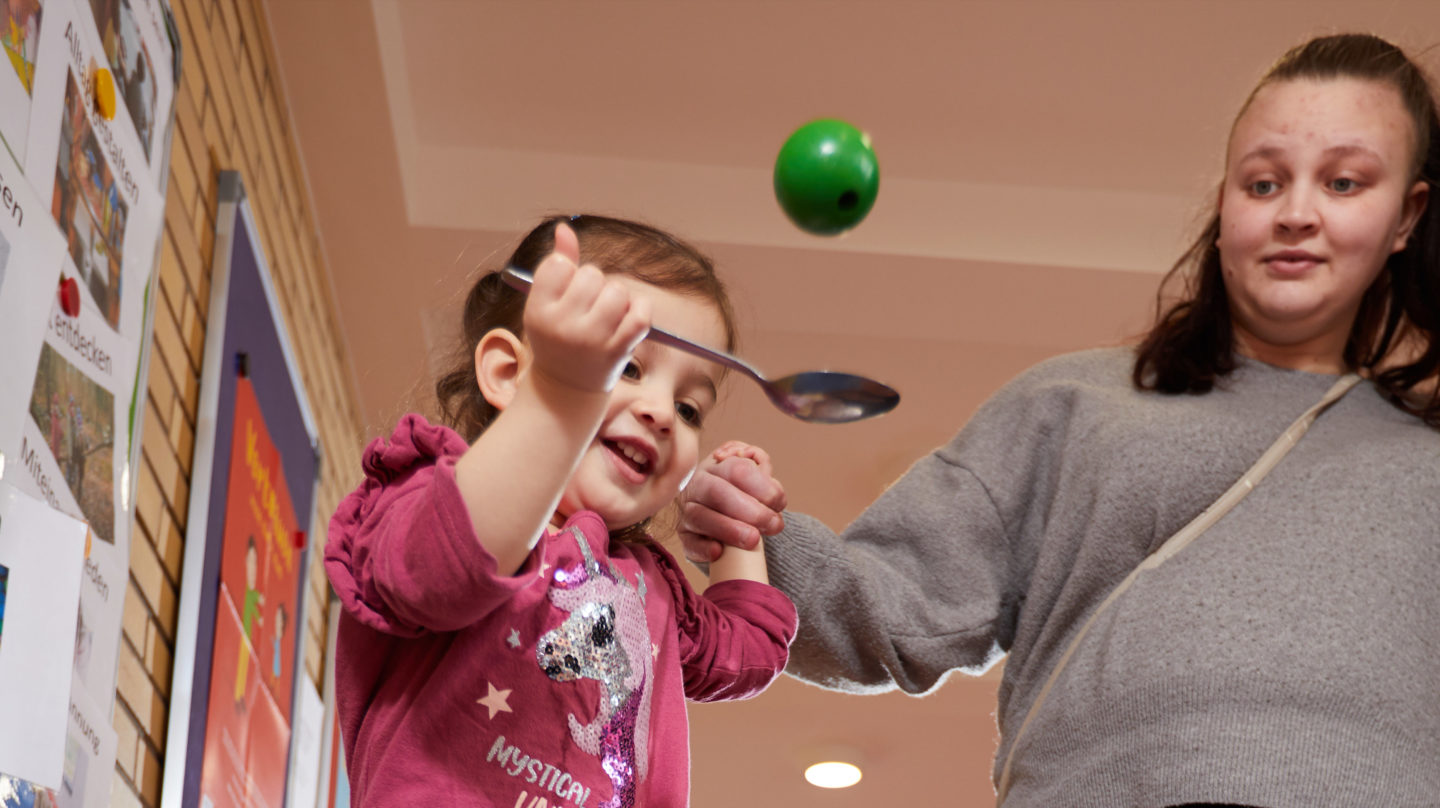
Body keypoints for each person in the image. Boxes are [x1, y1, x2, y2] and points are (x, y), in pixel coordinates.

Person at [679, 33, 1440, 807]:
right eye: (1264, 183)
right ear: (1222, 204)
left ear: (1408, 214)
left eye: (1344, 183)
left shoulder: (1428, 460)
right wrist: (749, 536)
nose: (1297, 213)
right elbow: (893, 612)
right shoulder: (1069, 405)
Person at [325, 214, 797, 807]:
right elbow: (446, 567)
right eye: (624, 366)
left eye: (690, 408)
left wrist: (739, 530)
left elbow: (746, 654)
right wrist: (557, 398)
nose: (660, 412)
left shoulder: (648, 586)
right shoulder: (437, 502)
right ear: (508, 373)